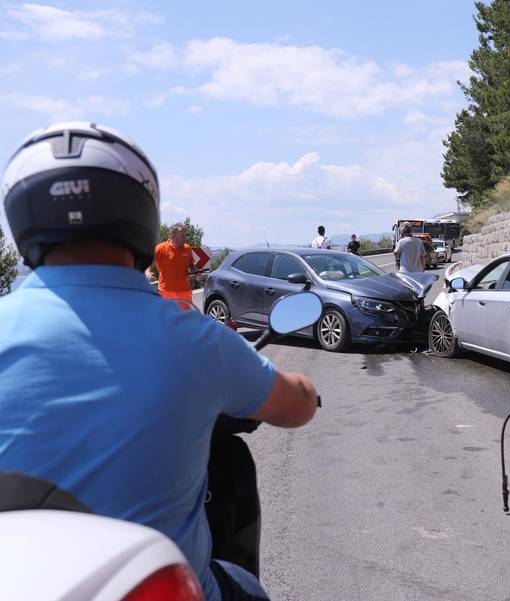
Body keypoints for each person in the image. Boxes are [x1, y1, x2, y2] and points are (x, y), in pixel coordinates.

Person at [0, 122, 318, 601]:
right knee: (245, 587)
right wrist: (305, 388)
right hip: (166, 588)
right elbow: (296, 407)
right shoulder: (195, 339)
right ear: (140, 212)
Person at [147, 223, 195, 302]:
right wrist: (148, 273)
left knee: (187, 310)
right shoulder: (161, 248)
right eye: (182, 235)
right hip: (166, 292)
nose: (185, 238)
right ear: (173, 236)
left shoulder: (187, 248)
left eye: (185, 235)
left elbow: (191, 265)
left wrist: (196, 272)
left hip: (185, 292)